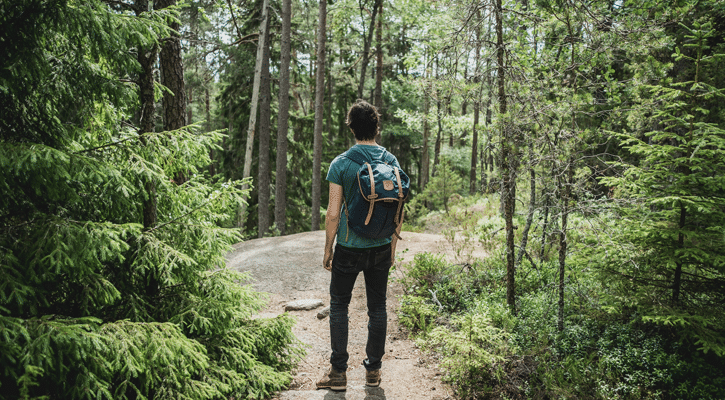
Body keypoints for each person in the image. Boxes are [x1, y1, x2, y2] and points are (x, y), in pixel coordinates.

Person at [316, 100, 402, 391]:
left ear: (351, 127)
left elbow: (332, 212)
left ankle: (338, 374)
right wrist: (391, 248)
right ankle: (373, 372)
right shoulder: (392, 162)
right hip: (380, 246)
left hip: (350, 247)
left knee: (339, 305)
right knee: (377, 308)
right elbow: (398, 211)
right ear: (376, 127)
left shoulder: (341, 163)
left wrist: (329, 247)